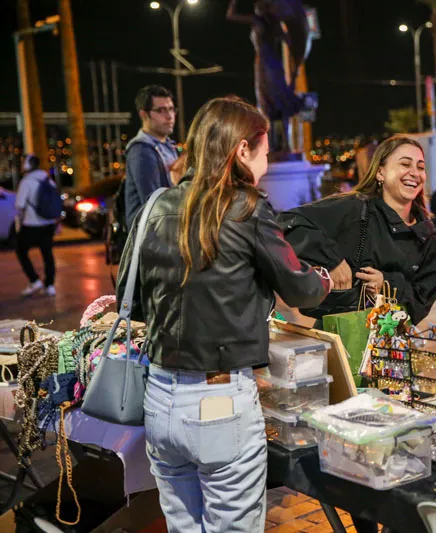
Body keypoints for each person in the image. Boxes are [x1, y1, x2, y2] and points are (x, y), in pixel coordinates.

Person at [117, 96, 331, 532]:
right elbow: (300, 289)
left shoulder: (154, 206)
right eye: (265, 152)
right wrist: (325, 278)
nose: (267, 164)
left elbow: (129, 298)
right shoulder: (246, 207)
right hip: (220, 400)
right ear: (242, 150)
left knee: (182, 526)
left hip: (159, 398)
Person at [280, 136, 436, 326]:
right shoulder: (354, 209)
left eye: (420, 167)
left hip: (391, 339)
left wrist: (386, 283)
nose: (414, 173)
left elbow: (420, 304)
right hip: (342, 334)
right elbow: (288, 223)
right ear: (380, 172)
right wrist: (332, 261)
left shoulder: (430, 238)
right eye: (405, 164)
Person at [124, 85, 179, 227]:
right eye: (161, 110)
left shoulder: (168, 146)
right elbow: (153, 203)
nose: (169, 116)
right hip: (151, 234)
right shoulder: (142, 151)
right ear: (144, 115)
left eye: (171, 109)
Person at [15, 154, 59, 297]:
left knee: (21, 251)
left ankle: (34, 280)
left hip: (31, 224)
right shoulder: (48, 179)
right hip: (48, 224)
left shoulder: (26, 181)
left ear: (27, 165)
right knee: (47, 254)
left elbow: (20, 205)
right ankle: (50, 285)